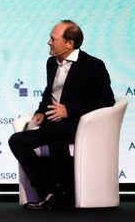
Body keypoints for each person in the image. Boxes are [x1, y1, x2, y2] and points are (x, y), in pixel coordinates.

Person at [8, 20, 114, 210]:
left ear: (69, 43)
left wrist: (69, 110)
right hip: (52, 125)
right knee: (17, 140)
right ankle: (47, 191)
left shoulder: (93, 65)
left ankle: (63, 191)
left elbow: (106, 100)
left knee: (56, 131)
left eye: (53, 38)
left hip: (78, 125)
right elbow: (50, 91)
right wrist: (41, 111)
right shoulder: (52, 63)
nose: (49, 42)